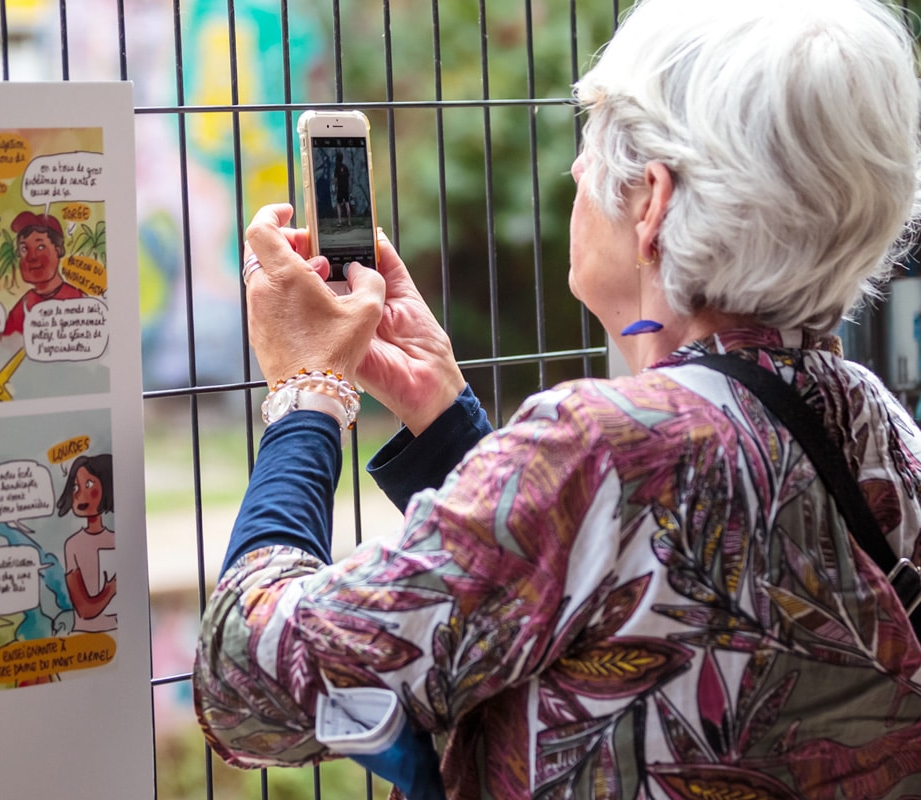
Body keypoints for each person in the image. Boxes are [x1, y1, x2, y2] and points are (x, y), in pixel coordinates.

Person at [193, 0, 921, 798]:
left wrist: (307, 391)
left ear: (651, 202)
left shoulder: (603, 449)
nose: (577, 169)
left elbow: (248, 681)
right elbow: (595, 588)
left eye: (596, 142)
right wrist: (444, 416)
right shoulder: (877, 425)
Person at [57, 453, 117, 633]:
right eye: (75, 487)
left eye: (88, 484)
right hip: (85, 638)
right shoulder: (73, 545)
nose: (79, 494)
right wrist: (111, 589)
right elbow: (84, 609)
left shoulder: (116, 540)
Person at [2, 210, 86, 336]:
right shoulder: (22, 308)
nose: (31, 257)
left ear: (57, 251)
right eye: (24, 249)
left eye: (40, 247)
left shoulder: (78, 300)